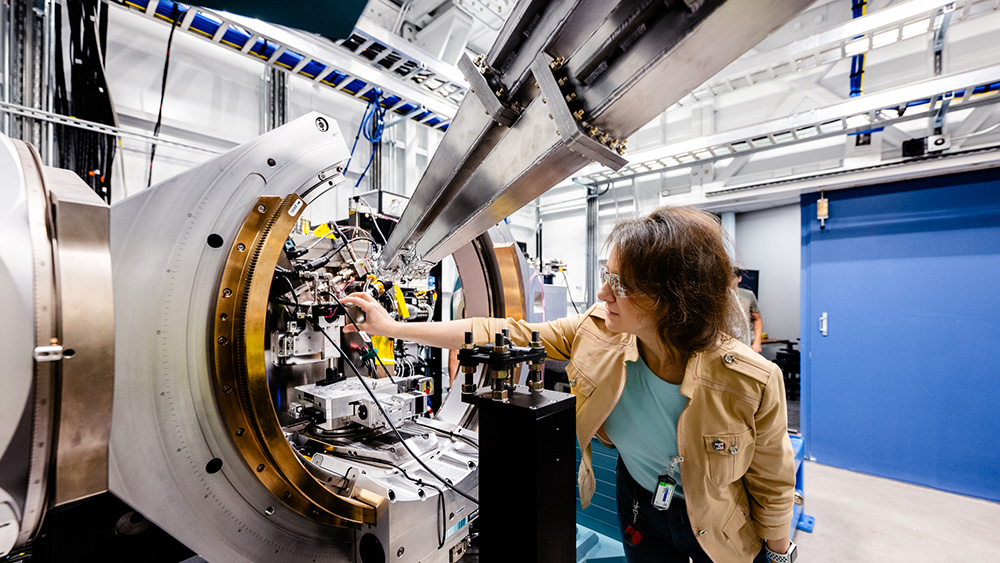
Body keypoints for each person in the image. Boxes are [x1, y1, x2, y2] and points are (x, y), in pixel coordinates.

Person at [341, 206, 797, 563]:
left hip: (717, 521)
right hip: (638, 499)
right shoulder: (598, 330)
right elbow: (502, 332)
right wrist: (392, 326)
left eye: (620, 284)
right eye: (607, 277)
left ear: (672, 298)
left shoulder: (749, 380)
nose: (603, 295)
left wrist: (779, 556)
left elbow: (773, 486)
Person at [732, 270, 764, 354]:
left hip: (744, 342)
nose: (730, 280)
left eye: (732, 277)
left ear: (739, 278)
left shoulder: (748, 295)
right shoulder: (719, 296)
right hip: (726, 343)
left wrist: (757, 342)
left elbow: (757, 319)